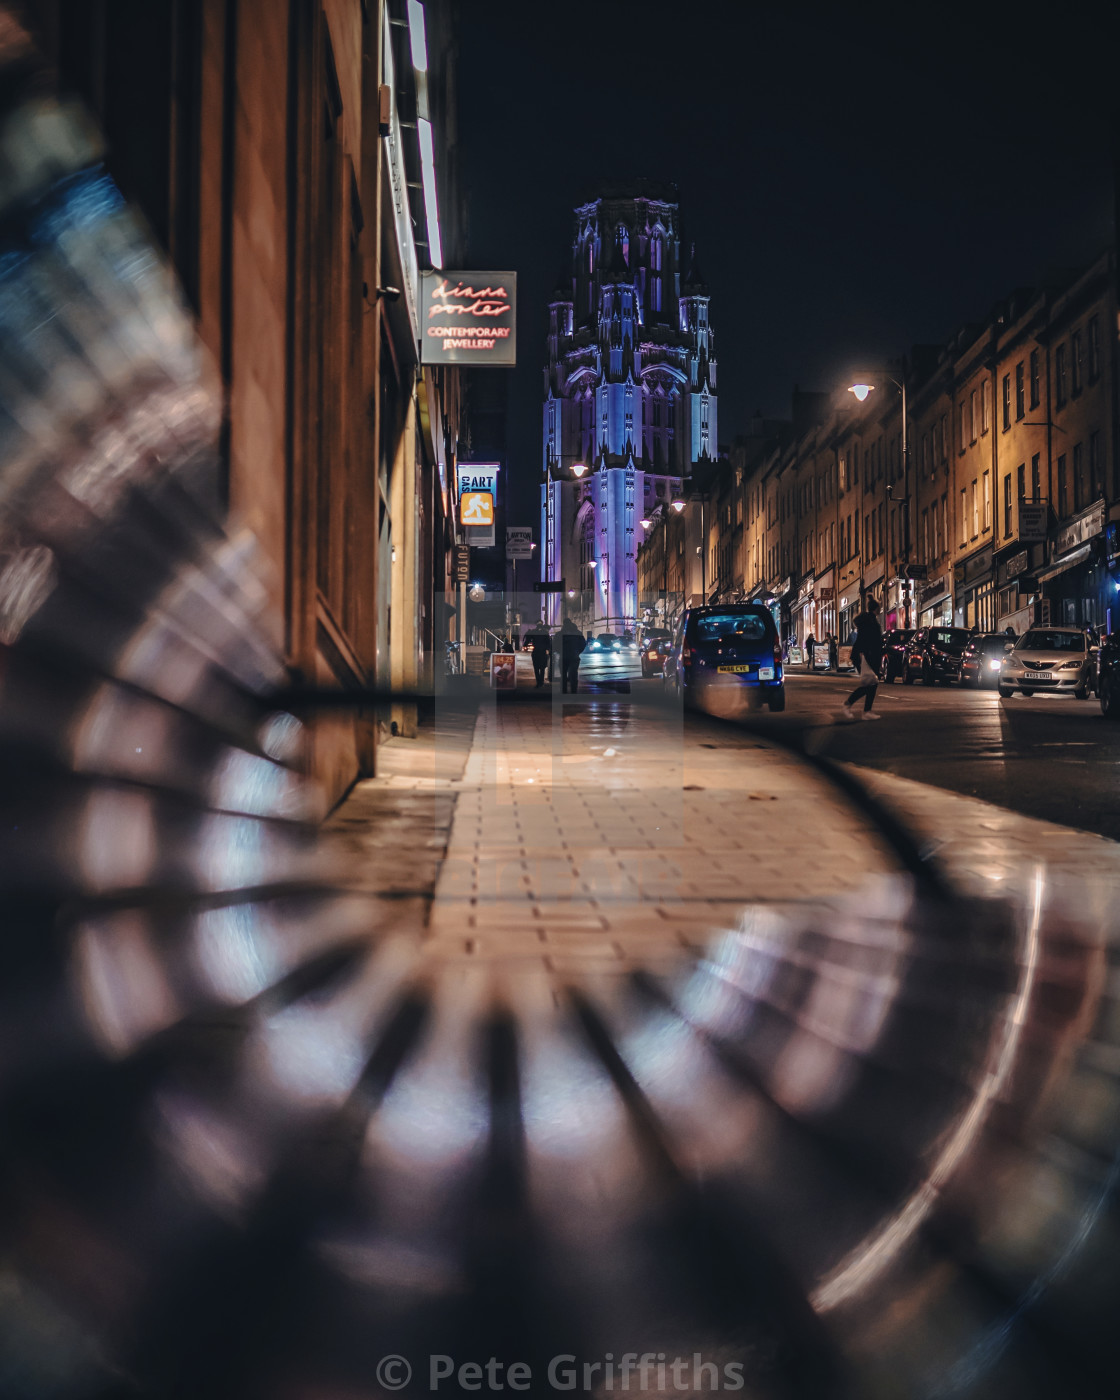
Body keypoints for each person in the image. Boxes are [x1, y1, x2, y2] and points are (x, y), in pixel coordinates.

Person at [841, 598, 883, 721]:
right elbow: (867, 640)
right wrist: (862, 654)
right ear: (876, 608)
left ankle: (866, 711)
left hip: (867, 655)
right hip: (866, 656)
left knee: (872, 684)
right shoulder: (870, 621)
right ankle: (848, 705)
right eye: (879, 607)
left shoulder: (869, 620)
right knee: (870, 683)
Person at [560, 617, 587, 693]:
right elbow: (583, 644)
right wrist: (578, 652)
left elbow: (555, 645)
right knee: (574, 674)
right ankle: (573, 691)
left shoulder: (560, 633)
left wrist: (559, 652)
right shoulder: (578, 633)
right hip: (574, 656)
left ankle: (564, 691)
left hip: (563, 657)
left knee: (563, 675)